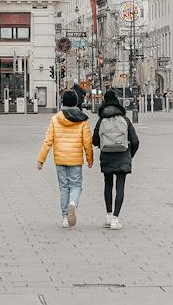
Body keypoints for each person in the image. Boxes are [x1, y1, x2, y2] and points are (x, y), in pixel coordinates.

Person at [38, 88, 93, 228]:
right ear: (76, 102)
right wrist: (90, 158)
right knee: (76, 185)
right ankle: (73, 203)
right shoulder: (82, 119)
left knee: (64, 187)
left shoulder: (55, 118)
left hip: (60, 159)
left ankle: (64, 217)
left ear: (62, 102)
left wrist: (41, 159)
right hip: (75, 159)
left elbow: (48, 141)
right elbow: (87, 141)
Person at [93, 87, 139, 229]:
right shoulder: (124, 119)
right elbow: (135, 141)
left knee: (108, 184)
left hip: (107, 155)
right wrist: (130, 154)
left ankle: (108, 215)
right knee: (120, 186)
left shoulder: (101, 120)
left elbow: (94, 140)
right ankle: (115, 219)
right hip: (122, 154)